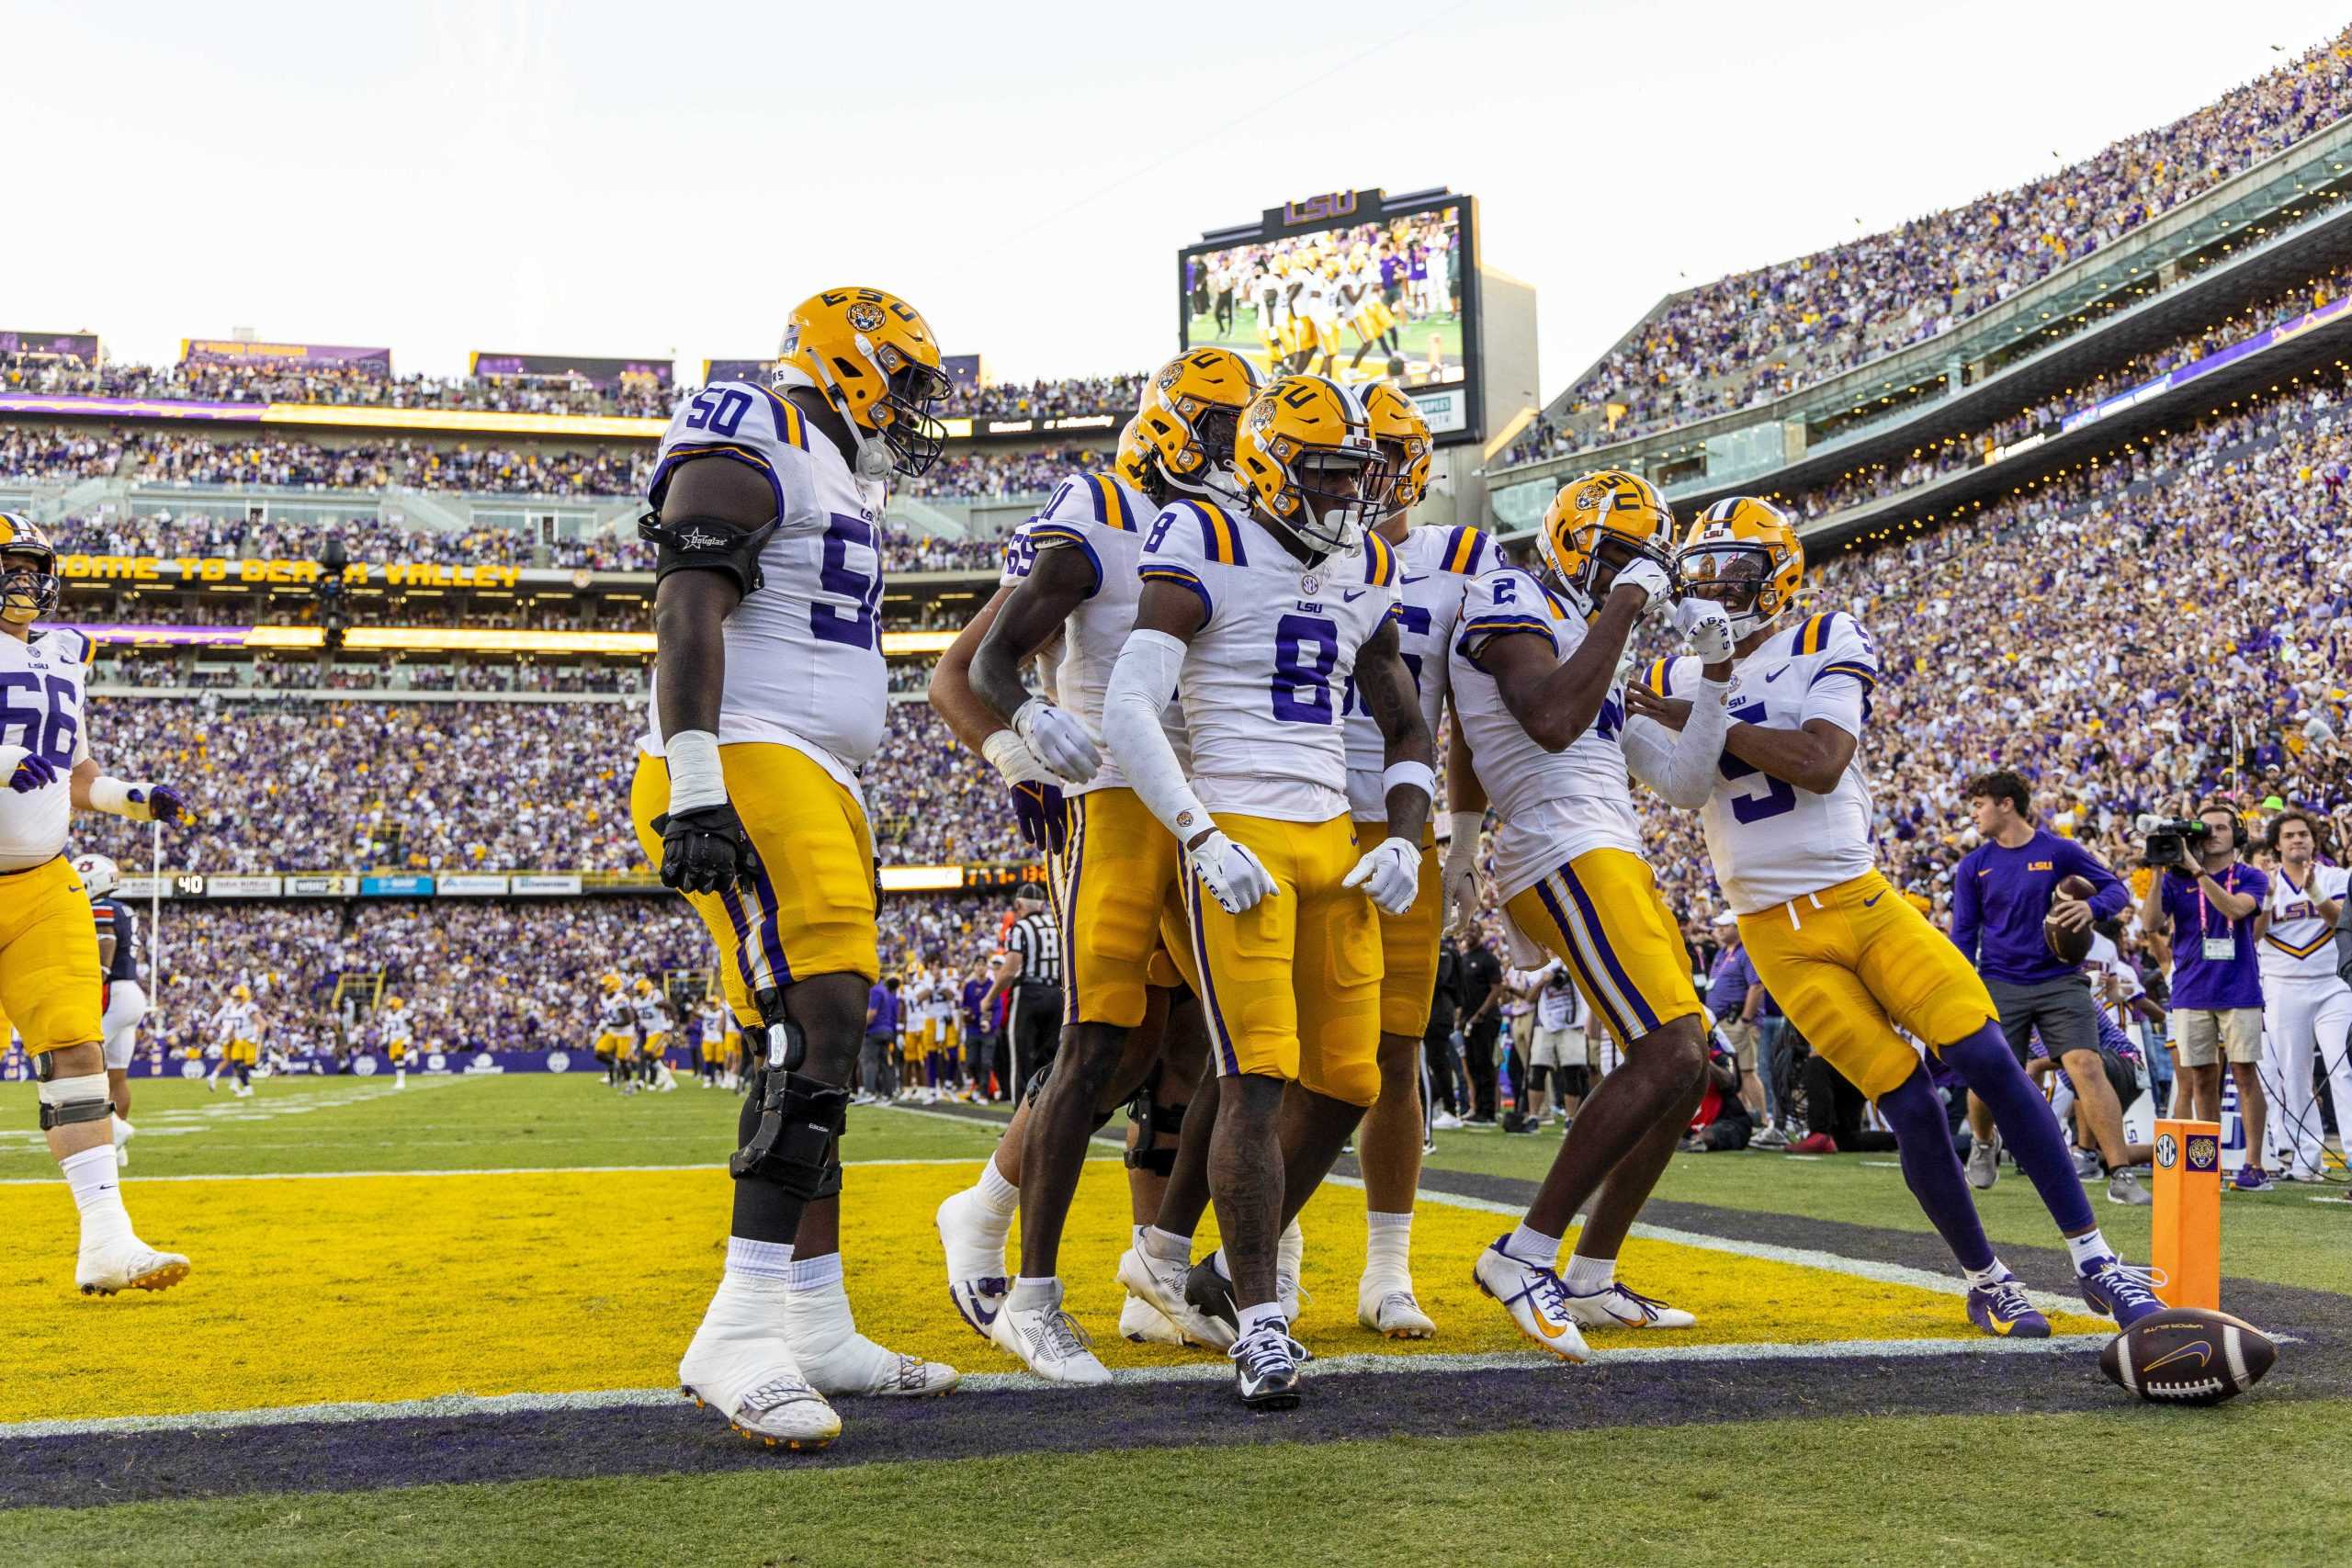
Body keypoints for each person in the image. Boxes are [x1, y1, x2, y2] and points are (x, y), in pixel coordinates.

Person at [1628, 494, 2163, 1337]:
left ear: (1780, 576)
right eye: (1707, 570)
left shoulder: (1824, 636)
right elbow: (1682, 781)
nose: (1722, 585)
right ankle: (1986, 1277)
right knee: (1908, 1101)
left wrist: (1707, 715)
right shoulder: (1668, 674)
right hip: (1773, 930)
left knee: (1990, 1055)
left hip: (1862, 898)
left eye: (1740, 567)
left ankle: (2097, 1259)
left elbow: (1819, 759)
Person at [638, 288, 960, 1450]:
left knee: (813, 1031)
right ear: (852, 363)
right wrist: (695, 778)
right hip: (750, 754)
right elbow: (686, 603)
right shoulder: (752, 427)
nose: (921, 411)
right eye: (910, 383)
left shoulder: (836, 468)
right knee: (816, 1016)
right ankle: (737, 1325)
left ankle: (813, 1319)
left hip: (813, 768)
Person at [1103, 372, 1433, 1408]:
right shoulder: (1200, 535)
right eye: (1328, 472)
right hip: (1238, 825)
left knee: (1351, 1080)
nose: (1348, 494)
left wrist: (1412, 839)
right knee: (1251, 1075)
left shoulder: (1365, 563)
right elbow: (1128, 705)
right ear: (1268, 465)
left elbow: (1406, 724)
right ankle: (1259, 1323)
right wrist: (1197, 833)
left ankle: (1208, 1272)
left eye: (1355, 474)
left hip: (1333, 836)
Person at [928, 371, 1244, 1382]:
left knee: (1200, 1045)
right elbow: (964, 669)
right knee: (1108, 1043)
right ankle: (994, 1235)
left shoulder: (1246, 522)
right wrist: (1017, 745)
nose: (1251, 450)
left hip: (1219, 803)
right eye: (1233, 432)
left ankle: (1158, 1272)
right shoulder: (1097, 509)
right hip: (1113, 794)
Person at [1449, 469, 1735, 1359]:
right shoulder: (1510, 593)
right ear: (1569, 539)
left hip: (1607, 846)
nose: (1626, 574)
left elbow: (1685, 781)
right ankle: (1521, 1252)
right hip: (1558, 847)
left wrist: (1717, 668)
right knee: (1670, 1049)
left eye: (1637, 560)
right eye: (1611, 552)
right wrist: (1620, 603)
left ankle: (1590, 1273)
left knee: (1688, 1065)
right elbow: (1548, 720)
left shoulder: (1585, 634)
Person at [1335, 382, 1497, 1337]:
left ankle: (1387, 1269)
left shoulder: (1458, 559)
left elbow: (1472, 712)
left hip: (1402, 827)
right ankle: (1266, 1261)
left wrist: (1467, 841)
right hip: (1299, 816)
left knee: (1398, 1051)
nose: (1366, 475)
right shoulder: (1281, 542)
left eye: (1382, 455)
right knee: (1286, 1059)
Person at [0, 512, 194, 1294]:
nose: (21, 580)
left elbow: (73, 769)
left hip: (43, 878)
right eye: (6, 565)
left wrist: (131, 796)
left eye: (29, 566)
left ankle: (107, 1242)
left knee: (77, 1051)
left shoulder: (67, 653)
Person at [1951, 770, 2148, 1205]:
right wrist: (1958, 986)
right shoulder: (1973, 866)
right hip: (2000, 981)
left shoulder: (2058, 850)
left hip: (2060, 980)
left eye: (1978, 804)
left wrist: (2092, 906)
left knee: (2086, 1064)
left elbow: (2117, 889)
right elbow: (1963, 935)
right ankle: (1984, 1144)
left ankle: (2120, 1172)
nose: (1973, 814)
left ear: (2006, 804)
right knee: (1987, 1074)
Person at [2137, 802, 2272, 1189]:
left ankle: (2253, 1165)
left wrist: (2196, 871)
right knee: (2201, 1078)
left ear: (2237, 836)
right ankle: (2206, 1162)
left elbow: (2233, 910)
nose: (2212, 834)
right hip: (2191, 988)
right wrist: (2160, 868)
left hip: (2239, 987)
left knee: (2244, 1073)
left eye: (2221, 828)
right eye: (2207, 828)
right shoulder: (2177, 879)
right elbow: (2150, 924)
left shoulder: (2250, 876)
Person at [2256, 810, 2347, 1182]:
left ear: (2314, 840)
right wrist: (2264, 900)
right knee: (2293, 1074)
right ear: (2277, 844)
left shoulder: (2337, 877)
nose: (2297, 840)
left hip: (2333, 983)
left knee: (2344, 1067)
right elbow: (2253, 936)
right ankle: (2307, 1159)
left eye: (2304, 834)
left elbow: (2343, 920)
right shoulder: (2262, 881)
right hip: (2282, 983)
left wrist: (2315, 893)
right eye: (2290, 835)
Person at [73, 853, 145, 1166]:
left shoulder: (99, 907)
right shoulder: (122, 908)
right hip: (131, 992)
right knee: (117, 1076)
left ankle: (115, 1129)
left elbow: (105, 942)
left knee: (79, 1064)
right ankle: (117, 1150)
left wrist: (94, 980)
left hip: (111, 991)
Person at [1453, 931, 1504, 1123]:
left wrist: (1480, 1014)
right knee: (1472, 1066)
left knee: (1485, 1065)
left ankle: (1488, 1112)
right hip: (1467, 1022)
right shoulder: (1463, 959)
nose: (1469, 934)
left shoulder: (1489, 959)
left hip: (1486, 1020)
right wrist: (1461, 1018)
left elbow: (1497, 988)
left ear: (1481, 934)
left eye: (1474, 930)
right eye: (1467, 930)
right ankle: (1477, 1109)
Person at [207, 983, 262, 1099]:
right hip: (238, 1038)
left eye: (239, 997)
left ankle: (237, 1083)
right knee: (237, 1063)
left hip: (250, 1039)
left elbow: (261, 1023)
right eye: (235, 997)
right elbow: (233, 1024)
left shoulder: (249, 1008)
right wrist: (226, 1035)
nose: (236, 1000)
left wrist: (255, 1036)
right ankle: (244, 1087)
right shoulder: (234, 1009)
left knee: (247, 1065)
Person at [859, 976, 901, 1104]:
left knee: (869, 1062)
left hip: (874, 1031)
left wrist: (860, 1027)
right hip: (887, 1031)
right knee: (886, 1064)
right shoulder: (885, 991)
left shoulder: (875, 991)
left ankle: (870, 1092)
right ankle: (888, 1094)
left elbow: (872, 1013)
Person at [381, 996, 413, 1089]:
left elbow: (412, 1027)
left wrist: (409, 1037)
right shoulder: (388, 1014)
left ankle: (401, 1082)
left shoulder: (404, 1013)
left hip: (402, 1038)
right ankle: (411, 1055)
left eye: (392, 1006)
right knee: (394, 1060)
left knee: (399, 1059)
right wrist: (385, 1035)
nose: (391, 1008)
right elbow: (387, 1026)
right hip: (393, 1039)